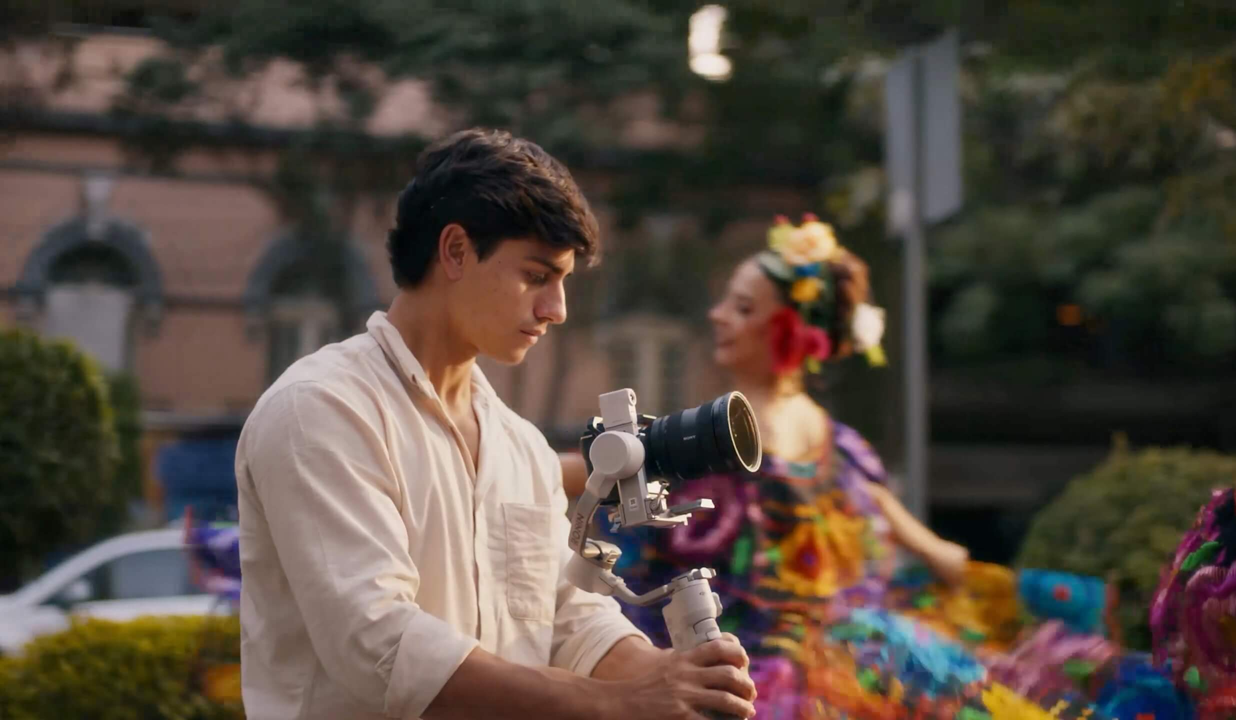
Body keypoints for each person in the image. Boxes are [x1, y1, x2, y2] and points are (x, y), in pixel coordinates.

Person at [234, 128, 756, 720]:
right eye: (536, 276)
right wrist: (620, 702)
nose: (556, 309)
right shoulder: (321, 409)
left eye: (562, 282)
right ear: (456, 251)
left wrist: (675, 679)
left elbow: (565, 617)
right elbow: (378, 642)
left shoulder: (519, 445)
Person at [565, 214, 1105, 719]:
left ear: (789, 330)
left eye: (744, 308)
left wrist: (528, 464)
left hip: (763, 672)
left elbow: (600, 483)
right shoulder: (837, 443)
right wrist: (1024, 598)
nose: (718, 316)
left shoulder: (724, 438)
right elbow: (934, 552)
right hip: (859, 655)